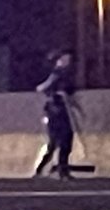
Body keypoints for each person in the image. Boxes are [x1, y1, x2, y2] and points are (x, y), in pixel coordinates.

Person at [33, 50, 80, 179]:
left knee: (62, 140)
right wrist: (56, 94)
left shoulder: (64, 74)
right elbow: (43, 87)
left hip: (61, 110)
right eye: (65, 59)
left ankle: (59, 169)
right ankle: (46, 169)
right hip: (55, 110)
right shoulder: (56, 74)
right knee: (58, 140)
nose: (68, 61)